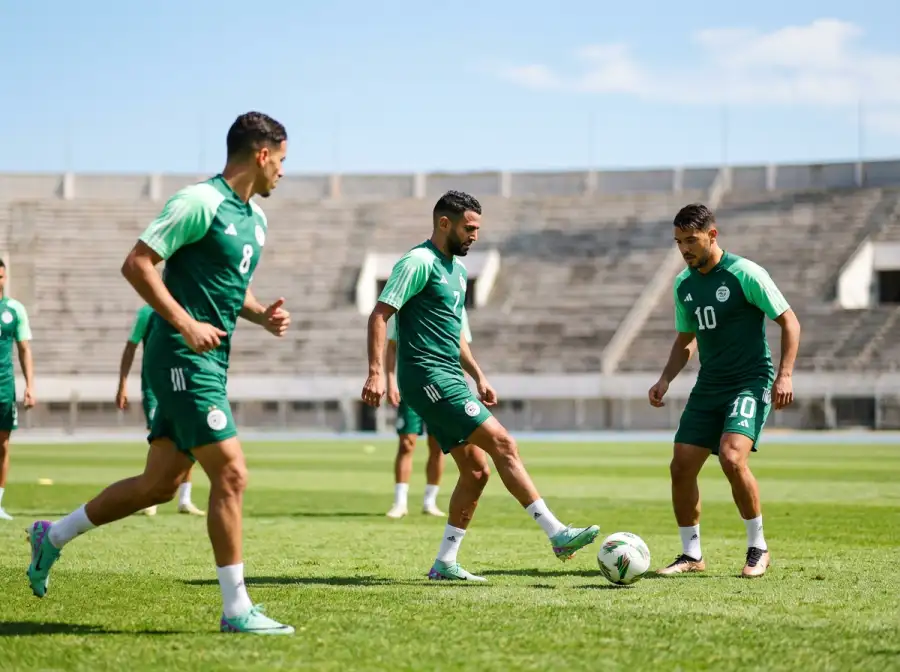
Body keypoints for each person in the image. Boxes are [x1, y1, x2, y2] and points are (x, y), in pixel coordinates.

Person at [26, 111, 295, 635]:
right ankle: (236, 609)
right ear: (262, 154)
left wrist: (261, 314)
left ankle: (51, 536)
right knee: (232, 474)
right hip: (179, 354)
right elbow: (137, 263)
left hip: (211, 358)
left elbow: (228, 286)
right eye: (281, 160)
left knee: (159, 485)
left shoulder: (256, 220)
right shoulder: (199, 202)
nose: (283, 171)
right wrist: (184, 323)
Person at [361, 190, 600, 582]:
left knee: (476, 472)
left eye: (477, 229)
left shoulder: (457, 272)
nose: (475, 236)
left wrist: (478, 375)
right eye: (469, 228)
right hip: (427, 375)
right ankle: (557, 534)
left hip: (450, 376)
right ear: (444, 223)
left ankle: (445, 563)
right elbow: (379, 314)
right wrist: (376, 372)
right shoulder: (418, 262)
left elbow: (455, 335)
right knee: (503, 443)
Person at [648, 203, 801, 579]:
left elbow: (789, 321)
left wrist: (784, 376)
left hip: (751, 381)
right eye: (678, 241)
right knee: (681, 465)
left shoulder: (745, 273)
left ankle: (758, 548)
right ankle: (691, 554)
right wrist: (665, 379)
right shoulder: (683, 284)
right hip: (709, 385)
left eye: (691, 240)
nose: (684, 249)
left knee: (732, 458)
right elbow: (686, 340)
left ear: (712, 235)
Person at [384, 307, 473, 519]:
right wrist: (390, 380)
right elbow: (392, 345)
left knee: (438, 445)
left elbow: (461, 346)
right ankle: (400, 502)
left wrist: (463, 382)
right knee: (406, 443)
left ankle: (429, 501)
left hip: (443, 386)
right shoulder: (407, 304)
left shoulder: (456, 305)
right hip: (413, 385)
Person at [116, 303, 204, 516]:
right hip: (155, 385)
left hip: (183, 381)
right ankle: (151, 497)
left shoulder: (188, 307)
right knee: (159, 438)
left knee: (188, 436)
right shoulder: (147, 312)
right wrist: (122, 384)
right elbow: (131, 346)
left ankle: (185, 499)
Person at [0, 260, 35, 520]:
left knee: (2, 445)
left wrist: (29, 385)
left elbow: (24, 349)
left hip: (4, 388)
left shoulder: (14, 309)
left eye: (0, 276)